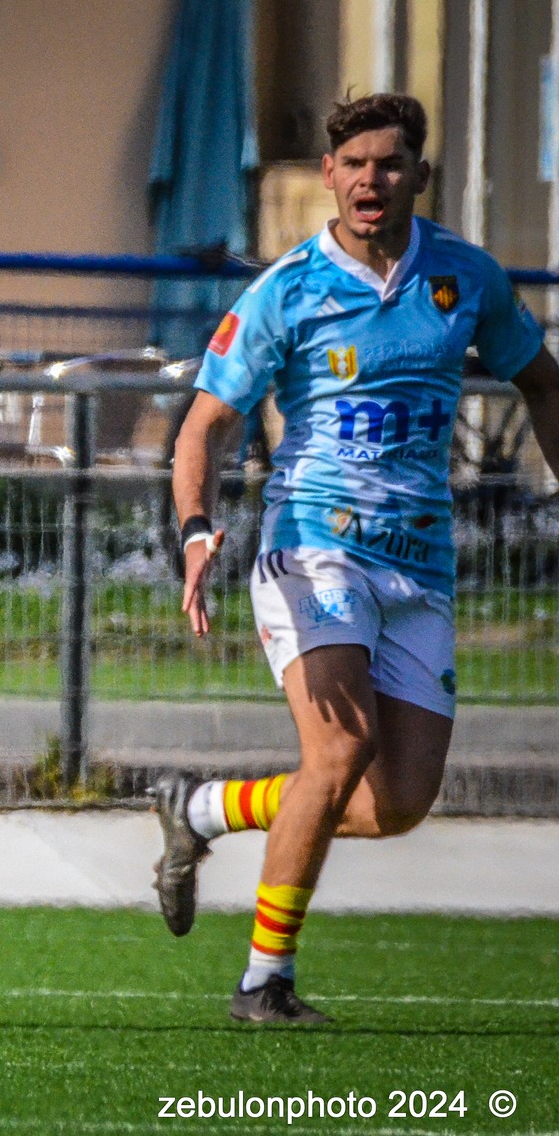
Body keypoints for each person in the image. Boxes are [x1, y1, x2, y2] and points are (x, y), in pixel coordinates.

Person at [153, 93, 559, 1023]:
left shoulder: (466, 280)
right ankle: (265, 981)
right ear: (327, 176)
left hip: (419, 567)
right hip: (313, 550)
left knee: (399, 800)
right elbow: (205, 424)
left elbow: (541, 379)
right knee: (339, 748)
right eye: (355, 164)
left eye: (390, 163)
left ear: (420, 174)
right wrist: (194, 526)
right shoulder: (287, 289)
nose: (371, 179)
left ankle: (204, 808)